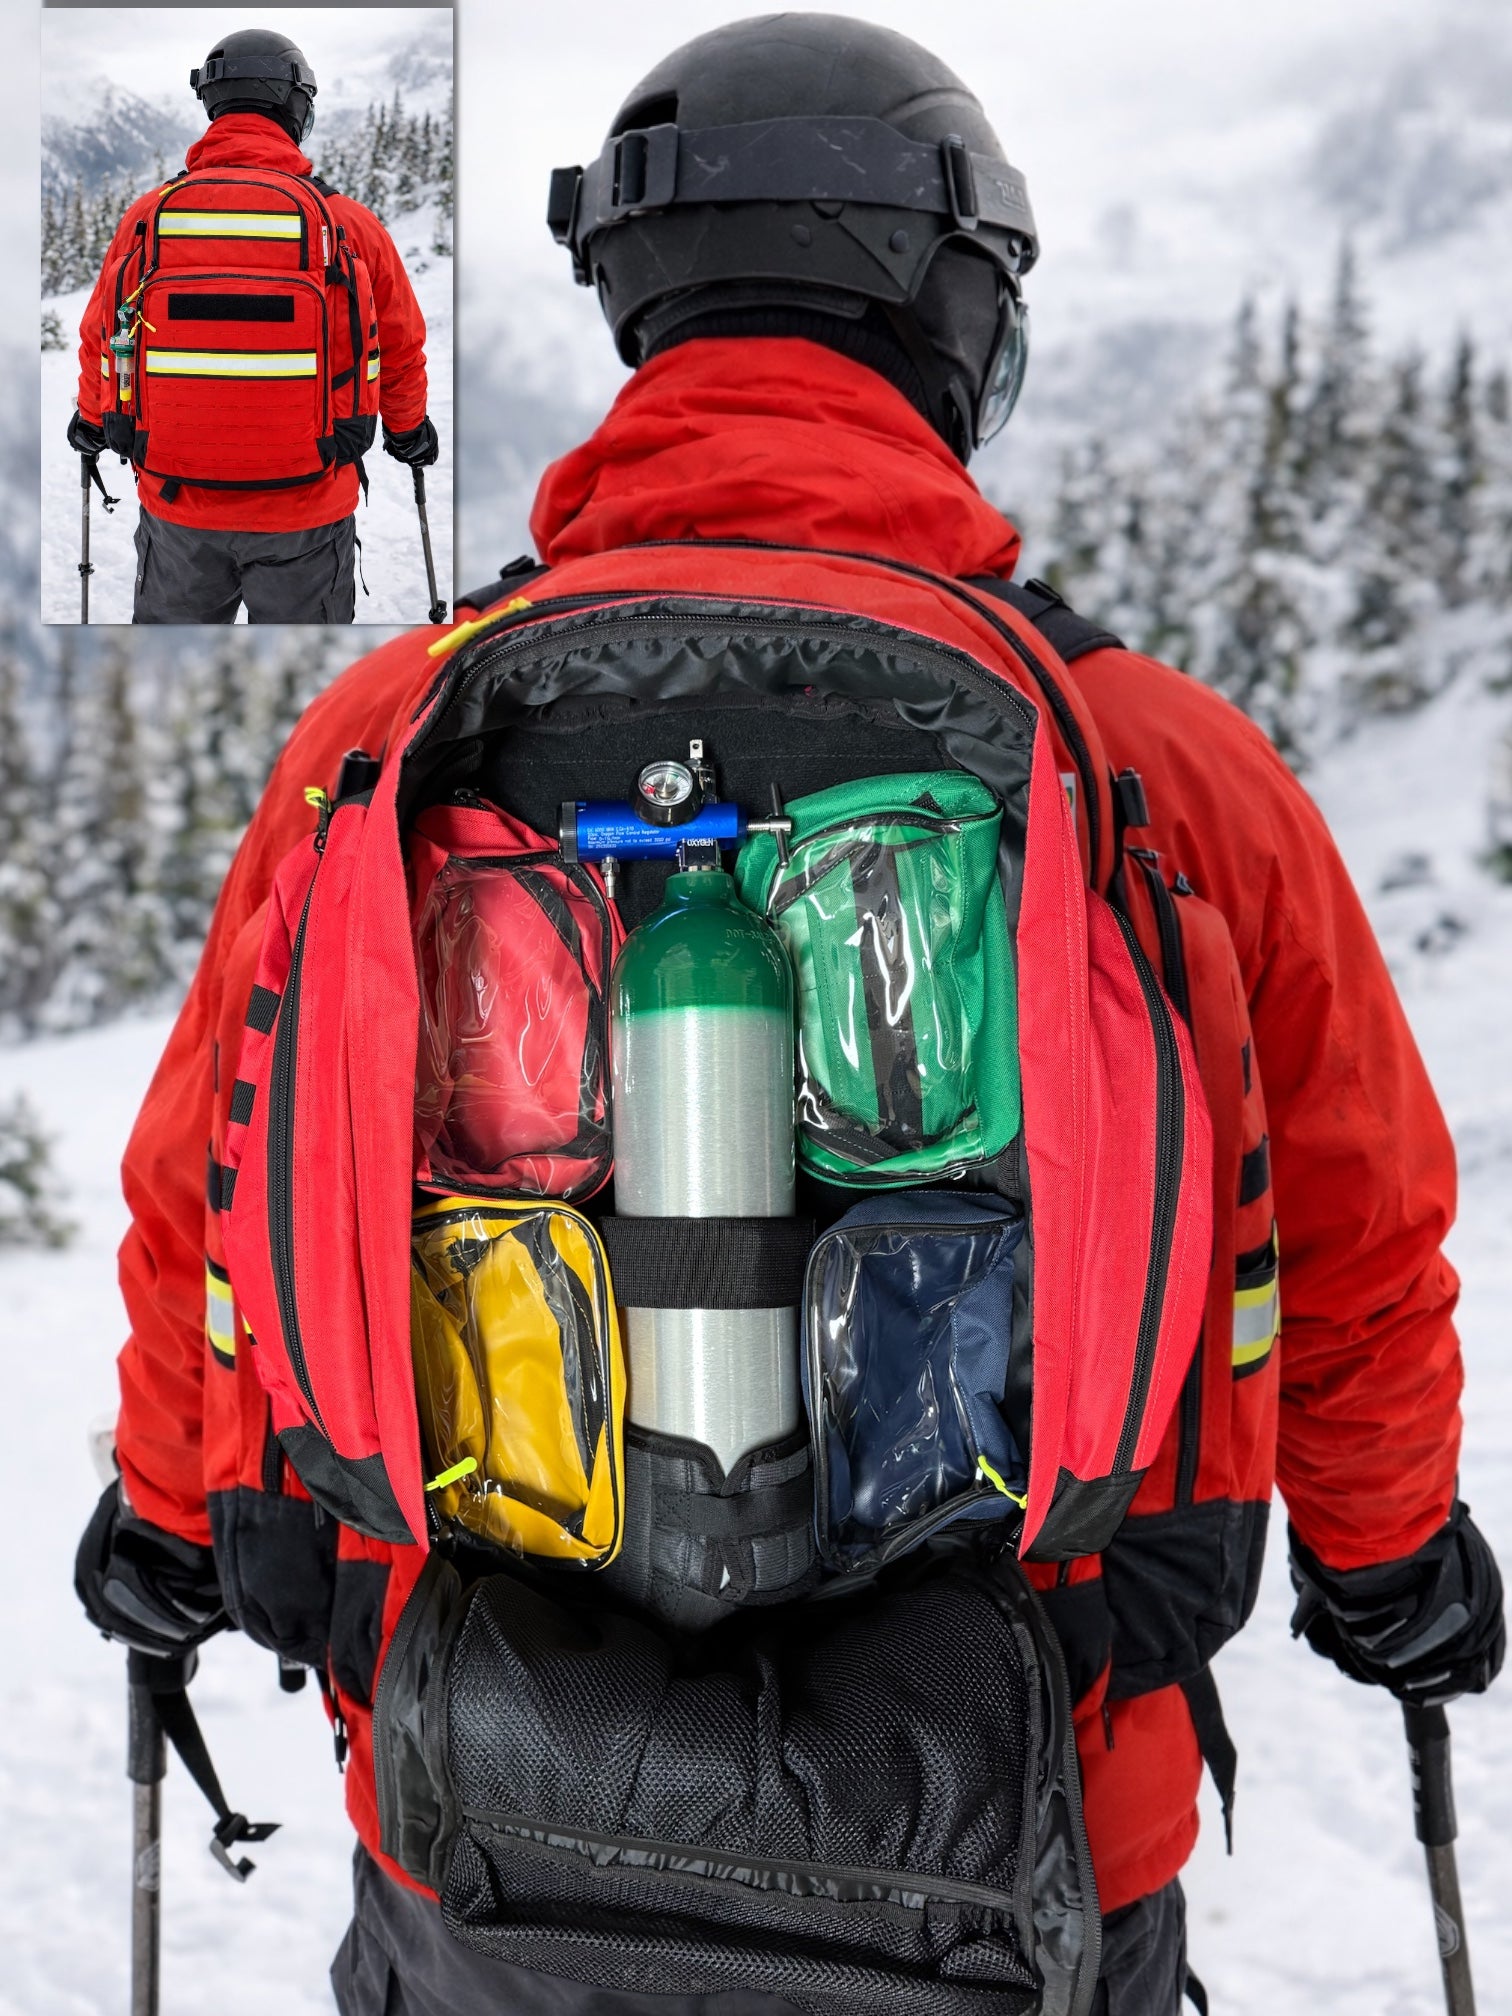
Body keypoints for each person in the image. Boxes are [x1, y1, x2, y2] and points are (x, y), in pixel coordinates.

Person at [74, 15, 1503, 2015]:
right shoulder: (1155, 759)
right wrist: (1391, 1565)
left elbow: (205, 1201)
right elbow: (1349, 1245)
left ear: (638, 298)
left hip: (482, 1809)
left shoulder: (386, 734)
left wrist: (167, 1521)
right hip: (1017, 1826)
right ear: (949, 305)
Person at [65, 28, 437, 624]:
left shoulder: (147, 217)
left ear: (213, 103)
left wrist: (91, 420)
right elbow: (398, 346)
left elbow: (102, 339)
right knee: (304, 673)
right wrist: (408, 429)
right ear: (294, 104)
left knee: (173, 671)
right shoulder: (346, 222)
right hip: (309, 508)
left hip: (177, 504)